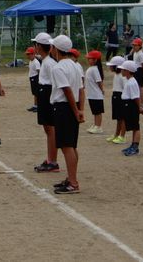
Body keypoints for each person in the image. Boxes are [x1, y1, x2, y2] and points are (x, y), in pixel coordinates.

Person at [49, 35, 84, 194]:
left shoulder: (58, 67)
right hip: (73, 105)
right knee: (72, 145)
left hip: (64, 107)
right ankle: (71, 178)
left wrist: (76, 111)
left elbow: (67, 90)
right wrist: (80, 109)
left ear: (56, 49)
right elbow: (80, 90)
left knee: (66, 146)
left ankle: (73, 183)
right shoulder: (76, 65)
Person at [32, 33, 59, 173]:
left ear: (40, 46)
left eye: (36, 44)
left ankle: (53, 161)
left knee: (50, 129)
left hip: (48, 95)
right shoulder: (45, 61)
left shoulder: (50, 63)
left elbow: (55, 83)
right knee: (47, 129)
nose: (34, 47)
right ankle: (50, 159)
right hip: (44, 94)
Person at [119, 60, 143, 156]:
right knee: (132, 126)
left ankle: (135, 147)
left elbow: (135, 97)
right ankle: (133, 145)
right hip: (127, 105)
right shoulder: (129, 81)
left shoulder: (132, 82)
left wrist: (139, 108)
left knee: (135, 127)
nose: (121, 71)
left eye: (123, 70)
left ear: (128, 71)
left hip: (131, 105)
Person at [106, 56, 127, 144]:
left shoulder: (123, 76)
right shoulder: (117, 75)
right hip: (115, 96)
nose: (110, 67)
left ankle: (122, 136)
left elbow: (125, 88)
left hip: (121, 97)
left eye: (112, 65)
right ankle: (116, 134)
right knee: (118, 118)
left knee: (122, 117)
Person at [84, 50, 104, 134]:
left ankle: (98, 126)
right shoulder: (91, 69)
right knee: (95, 111)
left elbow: (99, 81)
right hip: (91, 94)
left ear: (95, 60)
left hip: (96, 94)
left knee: (98, 112)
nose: (88, 60)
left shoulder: (95, 69)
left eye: (90, 59)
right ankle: (95, 125)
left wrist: (102, 90)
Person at [127, 38, 143, 104]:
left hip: (139, 70)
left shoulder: (141, 54)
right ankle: (138, 101)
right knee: (136, 86)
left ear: (140, 46)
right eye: (133, 45)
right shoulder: (135, 53)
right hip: (135, 70)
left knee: (140, 87)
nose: (134, 47)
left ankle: (142, 102)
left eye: (136, 45)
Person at [25, 47, 40, 113]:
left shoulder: (36, 62)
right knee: (34, 93)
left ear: (33, 54)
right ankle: (35, 105)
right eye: (27, 54)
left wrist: (39, 80)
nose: (28, 56)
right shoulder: (31, 61)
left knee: (37, 93)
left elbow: (39, 71)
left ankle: (39, 106)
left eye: (29, 54)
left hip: (36, 78)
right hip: (32, 78)